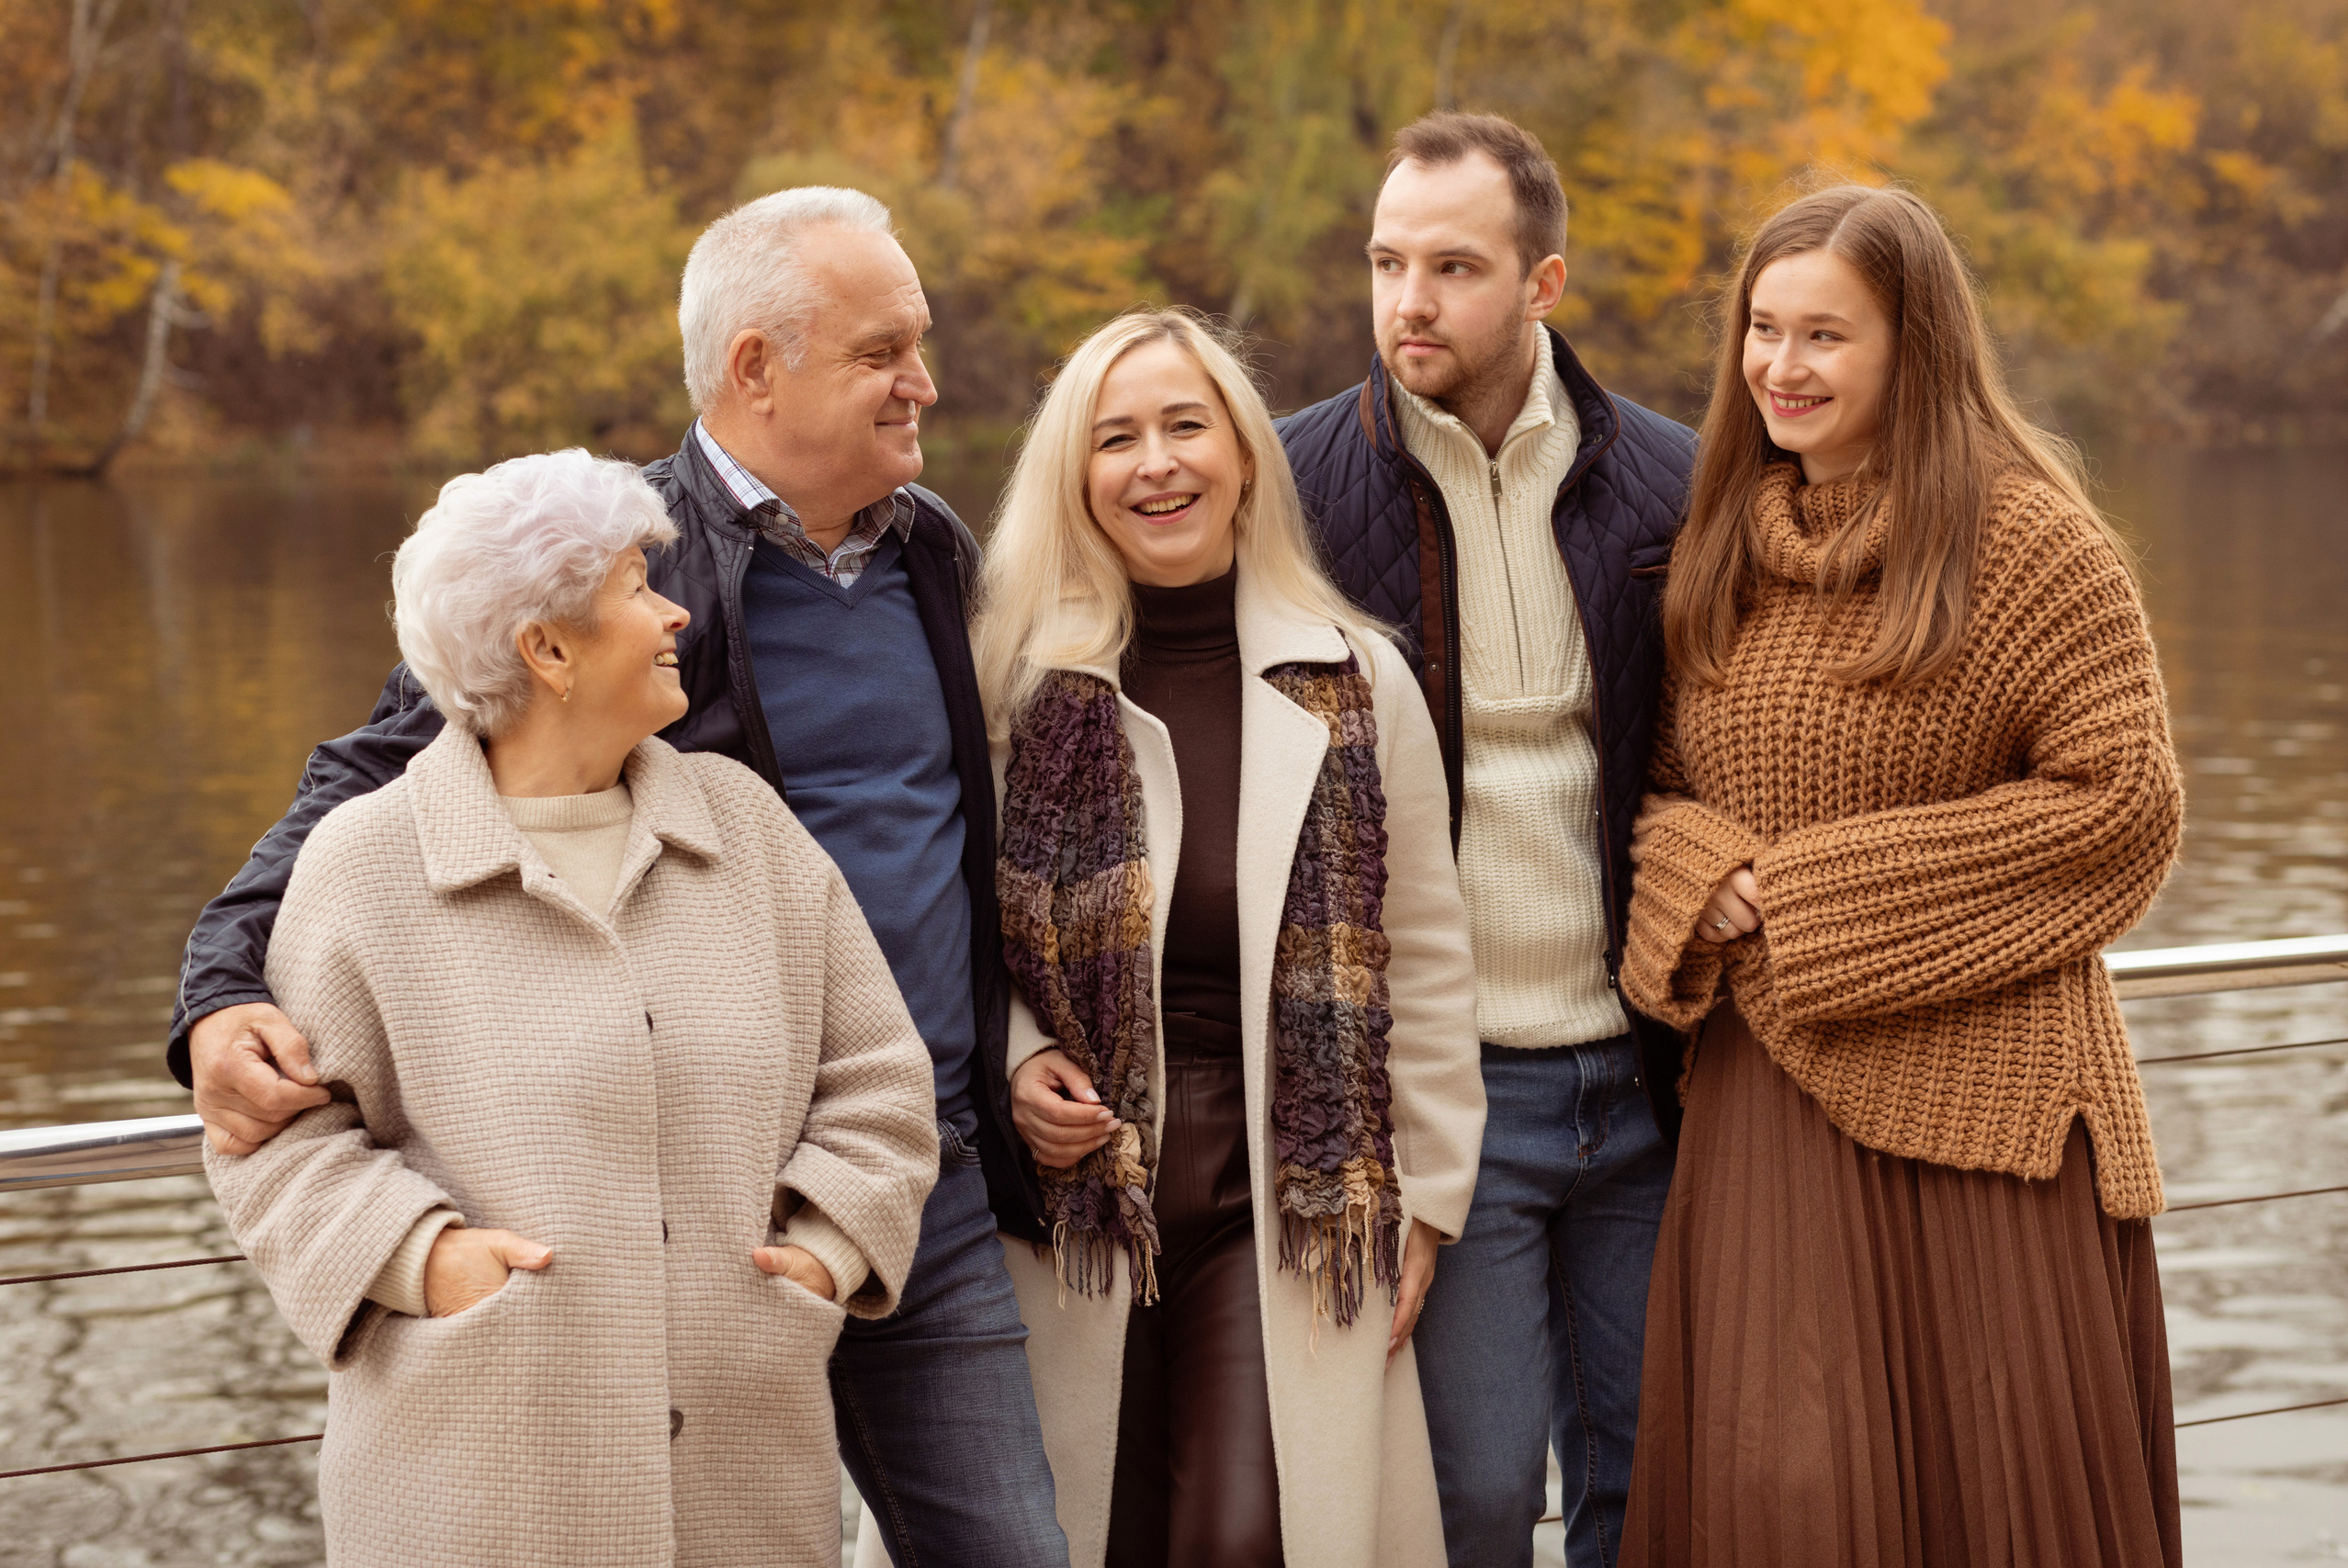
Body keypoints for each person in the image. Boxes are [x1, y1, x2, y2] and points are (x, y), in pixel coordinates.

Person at [167, 188, 1071, 1568]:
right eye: (883, 350)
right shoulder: (603, 558)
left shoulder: (932, 547)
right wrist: (219, 989)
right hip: (670, 1203)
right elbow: (365, 791)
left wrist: (1007, 1044)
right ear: (757, 367)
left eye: (919, 344)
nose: (924, 382)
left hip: (911, 1178)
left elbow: (966, 836)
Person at [202, 450, 940, 1565]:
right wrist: (425, 1263)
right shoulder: (365, 863)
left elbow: (878, 1078)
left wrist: (828, 1253)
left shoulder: (746, 828)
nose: (676, 612)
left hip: (745, 1487)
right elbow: (278, 1141)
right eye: (639, 587)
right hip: (472, 1489)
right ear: (546, 650)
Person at [1617, 183, 2184, 1566]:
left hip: (1985, 1118)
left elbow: (2123, 803)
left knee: (1997, 1500)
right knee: (1779, 1492)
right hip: (1768, 1103)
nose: (1782, 366)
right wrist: (1696, 873)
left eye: (1826, 335)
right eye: (1763, 329)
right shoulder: (1722, 544)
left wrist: (1810, 901)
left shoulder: (2026, 539)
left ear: (1911, 346)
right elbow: (1665, 786)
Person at [971, 307, 1486, 1568]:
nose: (1156, 464)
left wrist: (1425, 1203)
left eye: (1185, 426)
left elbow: (1423, 951)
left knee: (1252, 1532)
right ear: (1076, 478)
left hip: (1292, 1185)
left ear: (1246, 456)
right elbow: (959, 928)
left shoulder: (1359, 680)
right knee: (1090, 1532)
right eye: (1116, 438)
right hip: (1079, 1190)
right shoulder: (1015, 686)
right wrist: (1017, 1055)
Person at [1277, 113, 1695, 1568]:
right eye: (1387, 261)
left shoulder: (1674, 481)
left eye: (1454, 267)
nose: (1410, 300)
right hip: (1451, 1094)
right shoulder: (1292, 488)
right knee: (1474, 1493)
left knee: (1653, 1483)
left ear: (1543, 283)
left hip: (1651, 1077)